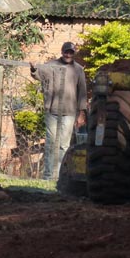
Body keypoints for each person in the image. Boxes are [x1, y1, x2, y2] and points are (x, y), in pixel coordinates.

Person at [30, 41, 87, 182]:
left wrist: (81, 112)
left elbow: (82, 92)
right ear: (62, 52)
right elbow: (38, 74)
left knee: (64, 145)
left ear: (74, 54)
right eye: (66, 52)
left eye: (71, 52)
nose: (68, 54)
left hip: (69, 112)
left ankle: (61, 176)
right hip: (52, 110)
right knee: (50, 143)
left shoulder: (78, 69)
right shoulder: (51, 66)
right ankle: (49, 176)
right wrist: (33, 68)